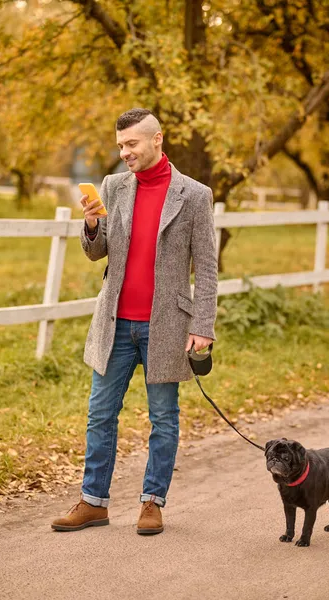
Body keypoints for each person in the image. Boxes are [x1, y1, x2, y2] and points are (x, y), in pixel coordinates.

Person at [51, 108, 218, 535]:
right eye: (120, 145)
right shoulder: (113, 187)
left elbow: (207, 266)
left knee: (163, 417)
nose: (124, 152)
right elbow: (97, 251)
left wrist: (202, 326)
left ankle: (152, 502)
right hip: (115, 323)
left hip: (166, 325)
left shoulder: (194, 194)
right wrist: (91, 224)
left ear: (157, 140)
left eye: (132, 144)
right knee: (99, 414)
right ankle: (93, 502)